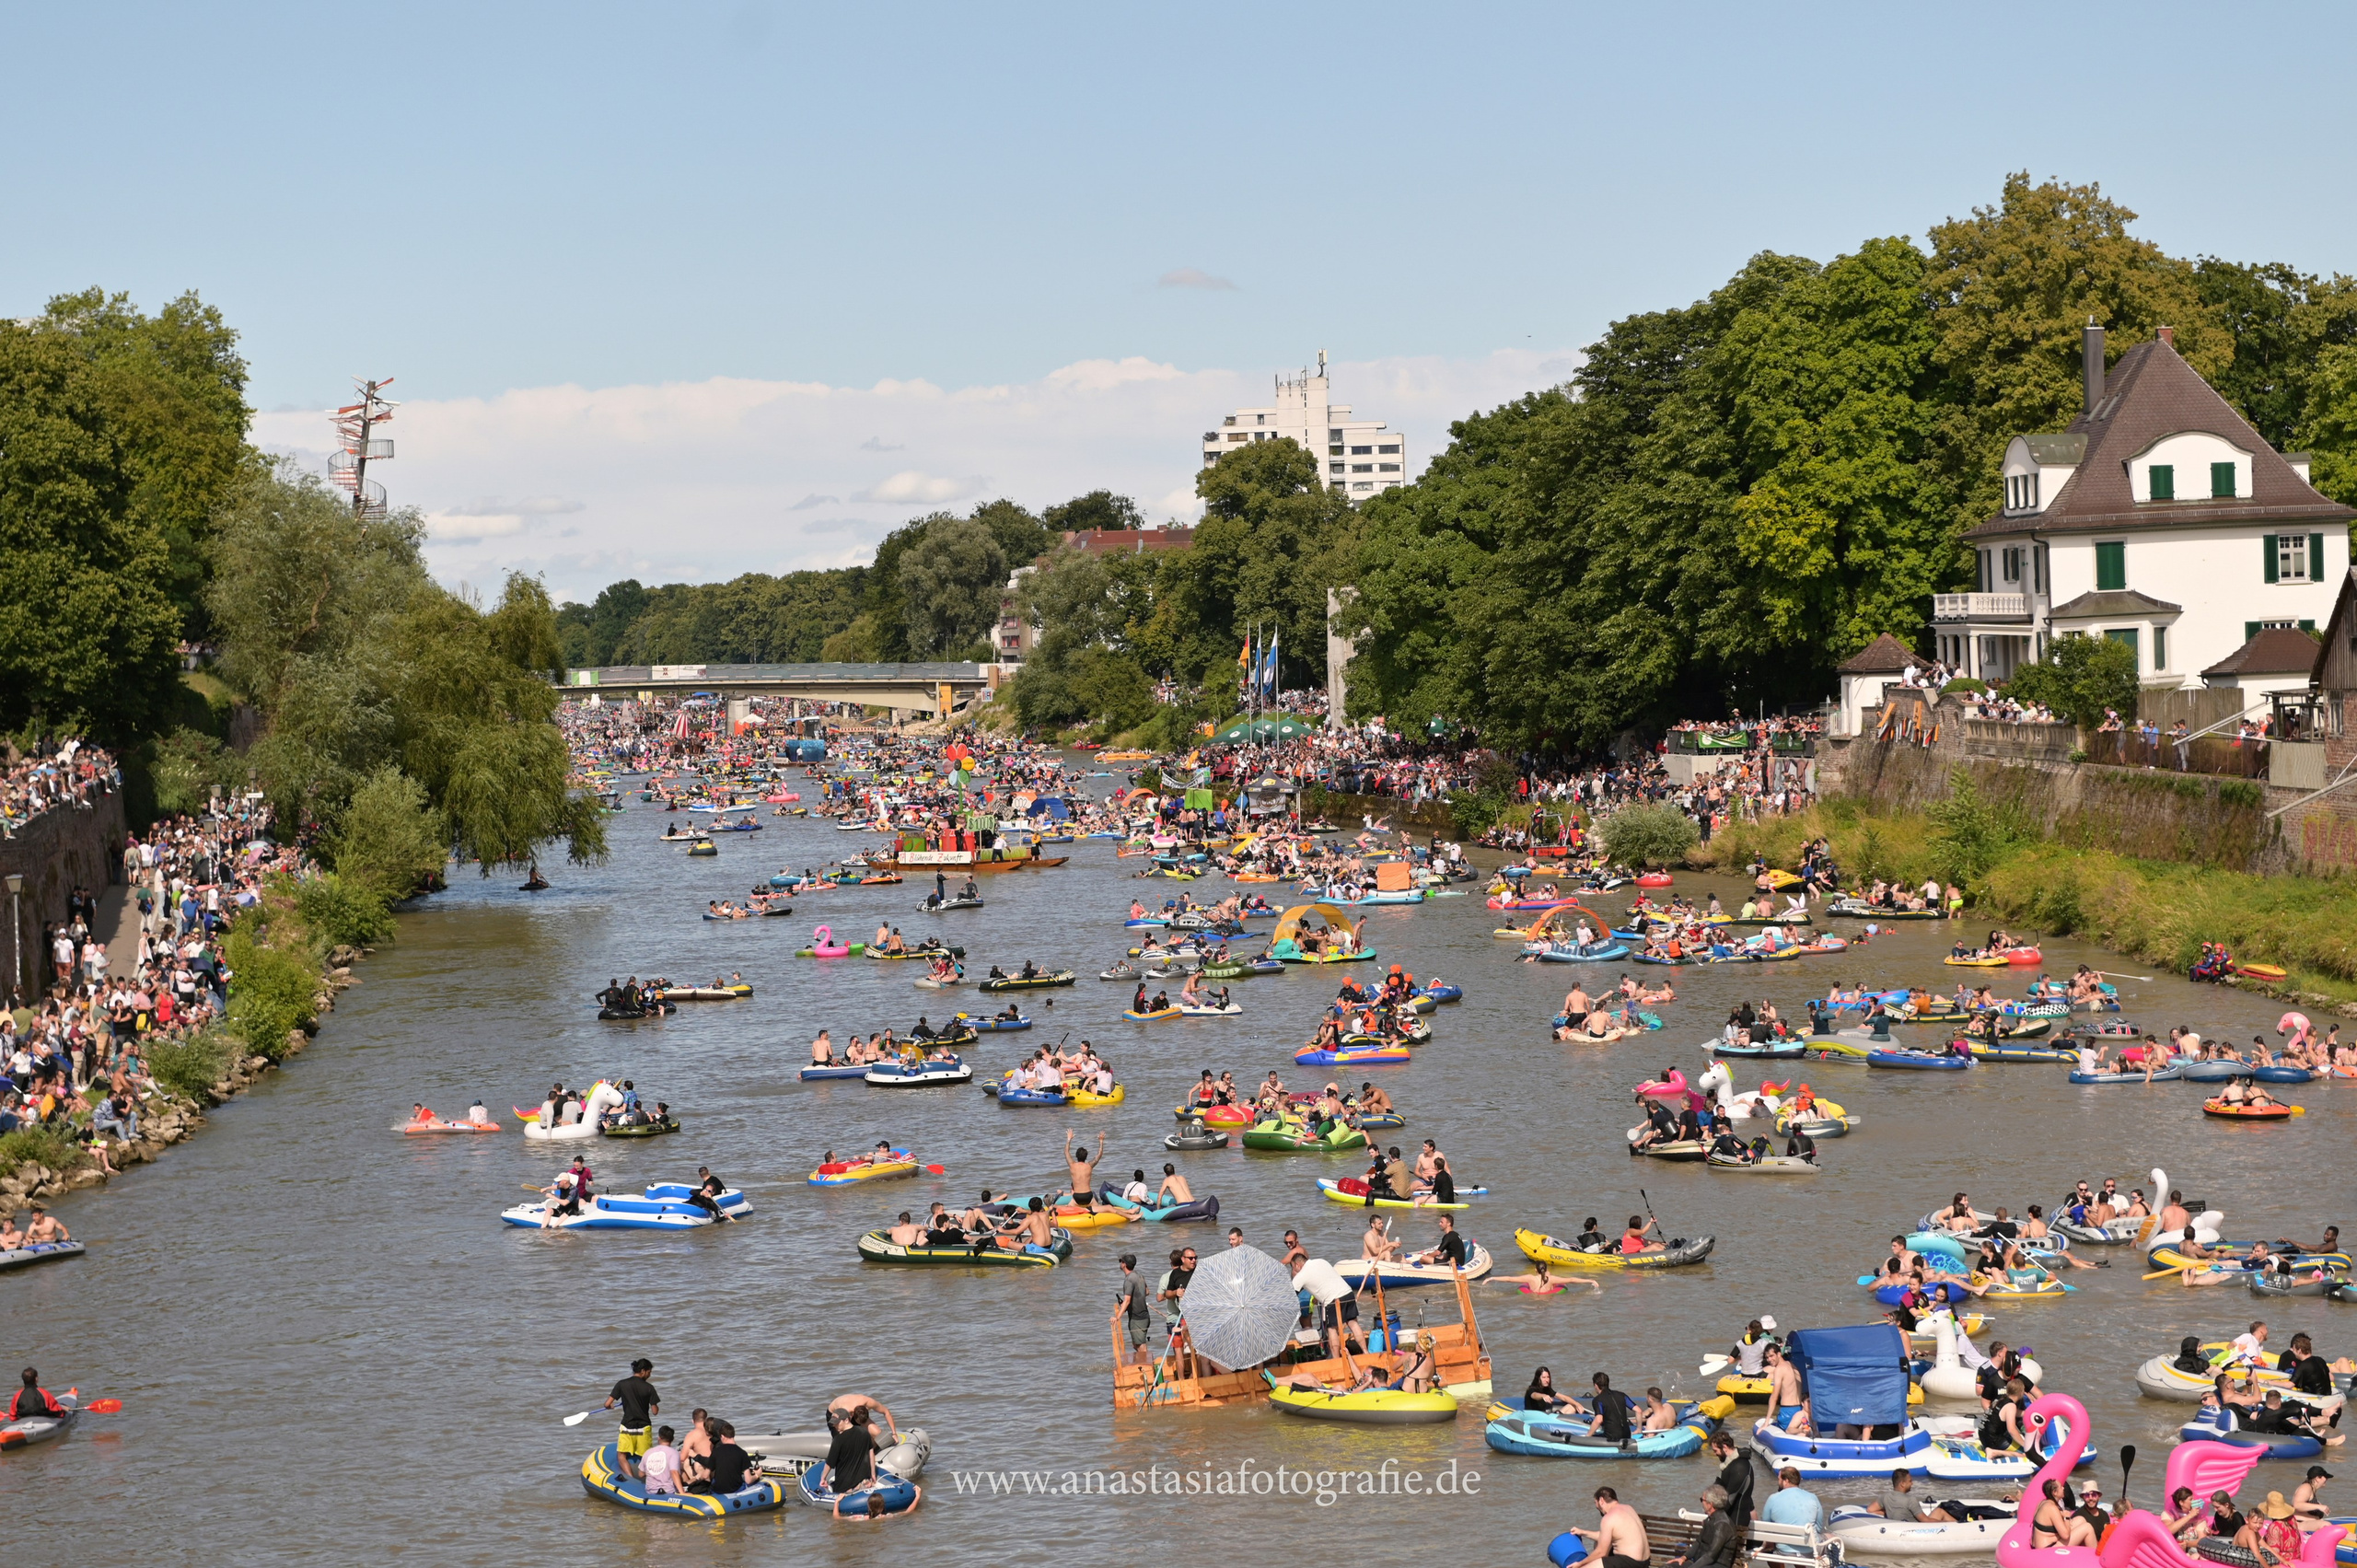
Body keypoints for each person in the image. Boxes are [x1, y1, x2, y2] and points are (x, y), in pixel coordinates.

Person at [1560, 1485, 1652, 1568]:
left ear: (1601, 1501)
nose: (1600, 1511)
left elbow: (1601, 1552)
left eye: (1598, 1507)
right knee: (1597, 1544)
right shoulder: (1628, 1508)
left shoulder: (1609, 1517)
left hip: (1630, 1563)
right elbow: (1609, 1536)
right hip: (1645, 1561)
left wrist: (1580, 1564)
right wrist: (1582, 1532)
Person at [603, 1357, 659, 1480]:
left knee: (621, 1456)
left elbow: (607, 1404)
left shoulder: (622, 1384)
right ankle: (650, 1480)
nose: (649, 1376)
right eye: (649, 1372)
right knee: (647, 1457)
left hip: (627, 1427)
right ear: (643, 1371)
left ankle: (630, 1479)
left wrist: (610, 1406)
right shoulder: (649, 1387)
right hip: (643, 1428)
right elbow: (655, 1411)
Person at [1675, 1484, 1740, 1568]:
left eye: (1702, 1500)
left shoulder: (1722, 1524)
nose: (1701, 1502)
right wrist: (1683, 1558)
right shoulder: (1709, 1519)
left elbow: (1711, 1556)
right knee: (1668, 1567)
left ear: (1710, 1504)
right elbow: (1698, 1542)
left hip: (1716, 1565)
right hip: (1700, 1563)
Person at [688, 1419, 755, 1496]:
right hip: (735, 1489)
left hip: (718, 1490)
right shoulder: (742, 1453)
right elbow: (748, 1480)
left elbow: (705, 1475)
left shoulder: (716, 1452)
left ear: (722, 1436)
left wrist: (697, 1480)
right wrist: (757, 1475)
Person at [1110, 1253, 1153, 1366]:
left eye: (1121, 1261)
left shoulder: (1129, 1280)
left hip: (1137, 1318)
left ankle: (1148, 1371)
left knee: (1141, 1346)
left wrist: (1117, 1317)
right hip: (1145, 1316)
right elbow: (1147, 1292)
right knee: (1137, 1344)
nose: (1120, 1263)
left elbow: (1127, 1300)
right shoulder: (1140, 1276)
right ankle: (1143, 1367)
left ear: (1124, 1264)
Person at [1759, 1466, 1823, 1529]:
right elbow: (1819, 1527)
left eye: (1779, 1479)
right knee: (1829, 1535)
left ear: (1786, 1481)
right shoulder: (1812, 1498)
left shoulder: (1772, 1498)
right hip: (1807, 1538)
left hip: (1780, 1539)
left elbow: (1765, 1524)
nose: (1778, 1482)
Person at [639, 1425, 684, 1495]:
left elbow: (641, 1474)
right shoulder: (674, 1453)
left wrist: (654, 1470)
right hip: (668, 1492)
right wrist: (682, 1493)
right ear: (672, 1439)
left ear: (659, 1438)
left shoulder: (648, 1452)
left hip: (650, 1491)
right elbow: (674, 1472)